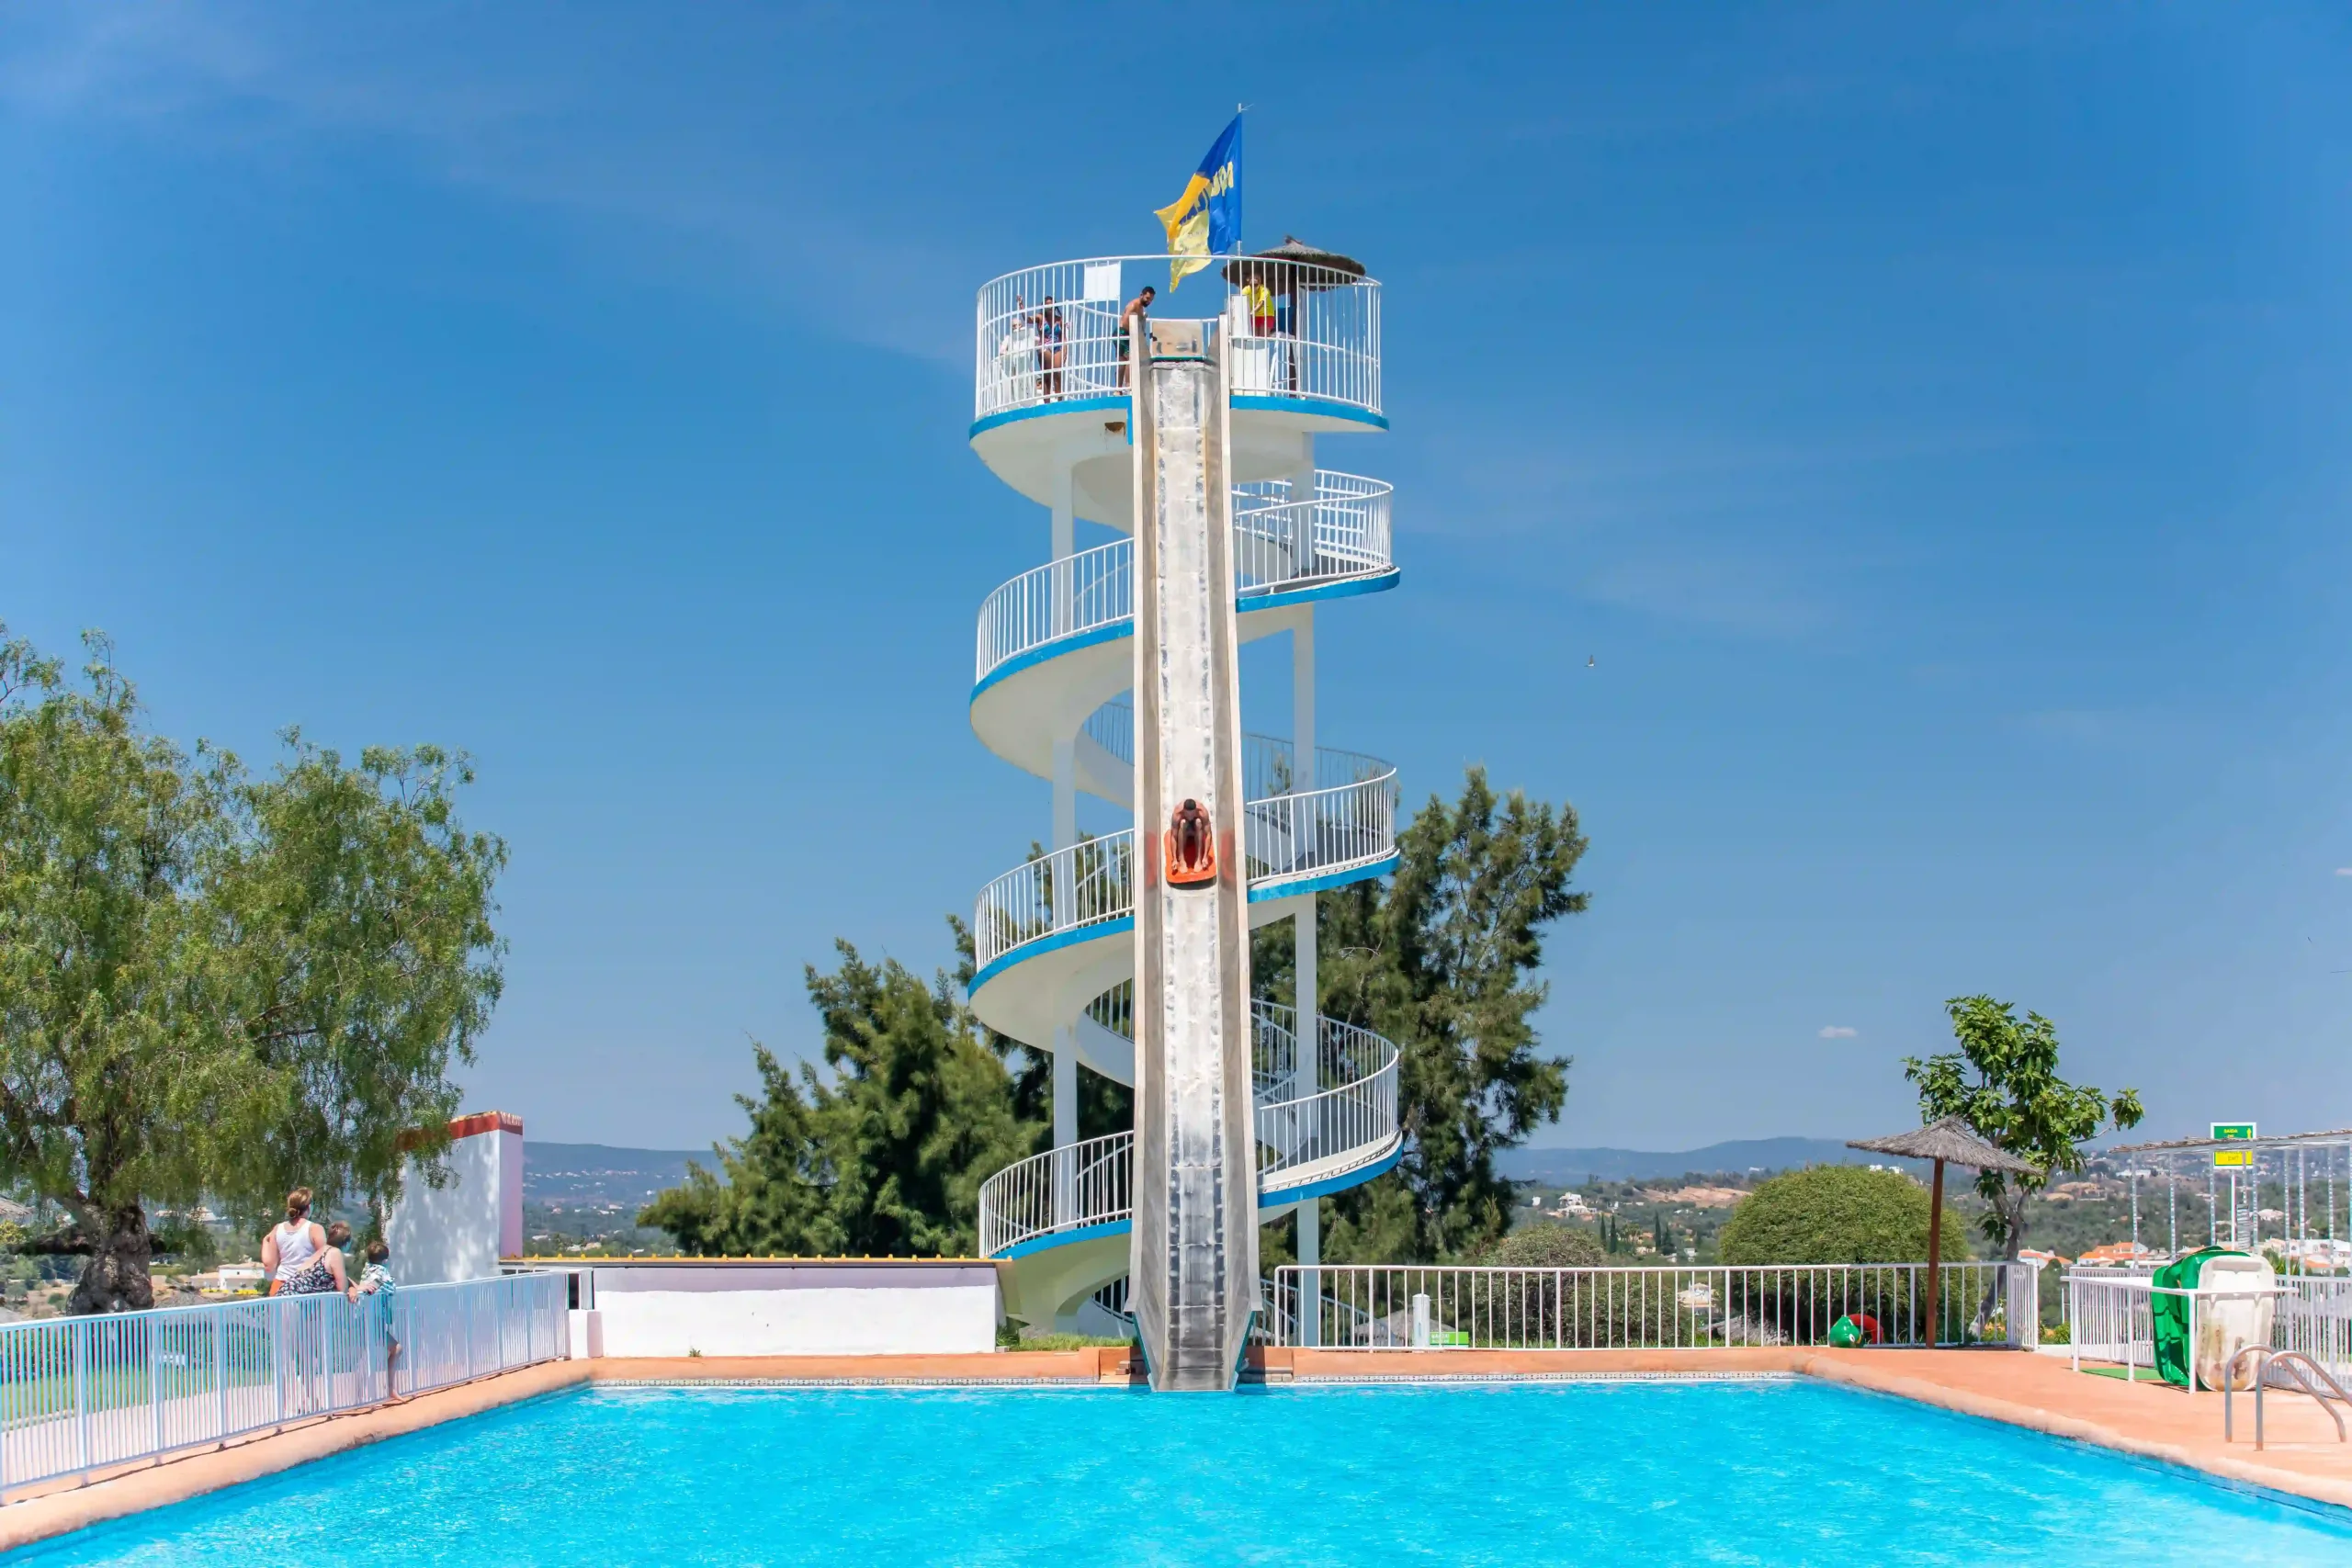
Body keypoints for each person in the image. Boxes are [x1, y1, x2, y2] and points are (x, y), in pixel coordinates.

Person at [348, 1238, 402, 1402]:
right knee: (392, 1349)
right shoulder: (380, 1273)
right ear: (385, 1260)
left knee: (376, 1353)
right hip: (372, 1319)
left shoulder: (367, 1269)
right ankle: (384, 1390)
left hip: (365, 1317)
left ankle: (365, 1395)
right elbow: (378, 1287)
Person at [260, 1189, 326, 1297]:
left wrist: (265, 1241)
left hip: (280, 1287)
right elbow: (326, 1261)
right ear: (309, 1206)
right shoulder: (315, 1229)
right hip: (305, 1288)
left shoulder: (278, 1229)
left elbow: (270, 1265)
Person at [277, 1219, 350, 1296]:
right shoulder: (335, 1252)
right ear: (346, 1242)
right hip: (294, 1301)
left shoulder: (321, 1251)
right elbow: (342, 1289)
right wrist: (352, 1289)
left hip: (284, 1297)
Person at [1115, 286, 1154, 389]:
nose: (1149, 302)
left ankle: (1118, 389)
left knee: (1122, 362)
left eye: (1151, 300)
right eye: (1147, 298)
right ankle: (1128, 385)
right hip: (1122, 333)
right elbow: (1125, 322)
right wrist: (1136, 333)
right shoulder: (1134, 305)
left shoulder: (1141, 308)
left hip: (1127, 334)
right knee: (1130, 358)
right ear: (1141, 295)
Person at [1030, 295, 1066, 400]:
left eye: (1051, 304)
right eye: (1047, 304)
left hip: (1056, 346)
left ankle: (1060, 401)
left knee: (1058, 375)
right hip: (1045, 346)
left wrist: (1065, 349)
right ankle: (1047, 402)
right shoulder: (1040, 317)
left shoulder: (1059, 319)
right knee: (1047, 376)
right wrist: (1022, 306)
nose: (1050, 306)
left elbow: (1063, 336)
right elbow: (1028, 319)